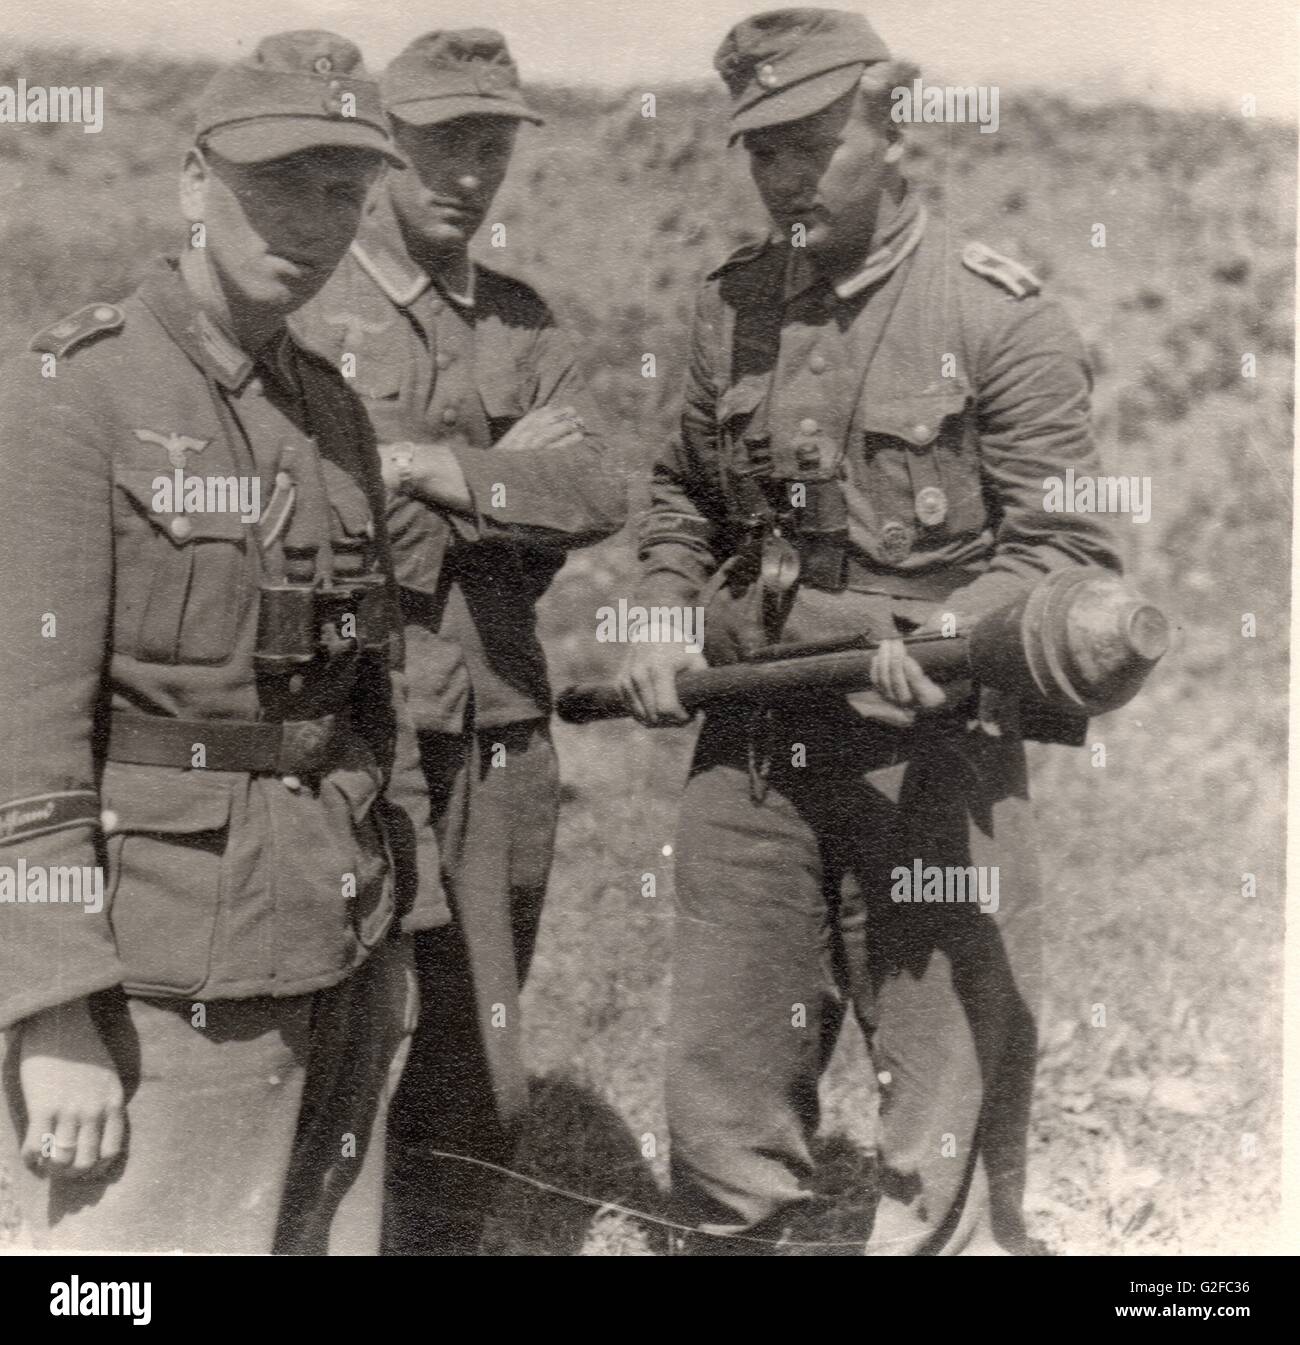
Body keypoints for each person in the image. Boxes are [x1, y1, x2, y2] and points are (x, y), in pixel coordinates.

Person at [619, 7, 1121, 1254]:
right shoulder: (728, 305)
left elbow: (1064, 553)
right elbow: (681, 489)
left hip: (930, 747)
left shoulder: (999, 317)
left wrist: (954, 635)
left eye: (810, 143)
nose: (785, 177)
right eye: (762, 152)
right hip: (752, 738)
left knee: (940, 1082)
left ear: (891, 127)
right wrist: (657, 610)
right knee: (723, 1071)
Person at [0, 30, 444, 1255]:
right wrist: (50, 1010)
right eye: (282, 179)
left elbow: (375, 691)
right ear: (195, 179)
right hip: (156, 978)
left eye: (345, 192)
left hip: (336, 936)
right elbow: (19, 733)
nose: (314, 220)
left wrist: (400, 932)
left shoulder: (335, 409)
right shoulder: (73, 391)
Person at [294, 28, 626, 1255]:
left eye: (491, 146)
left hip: (494, 725)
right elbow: (302, 502)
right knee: (336, 1013)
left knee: (474, 1035)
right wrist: (497, 483)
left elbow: (596, 489)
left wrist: (431, 469)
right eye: (442, 143)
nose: (467, 173)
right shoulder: (307, 302)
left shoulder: (524, 323)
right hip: (353, 712)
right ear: (385, 146)